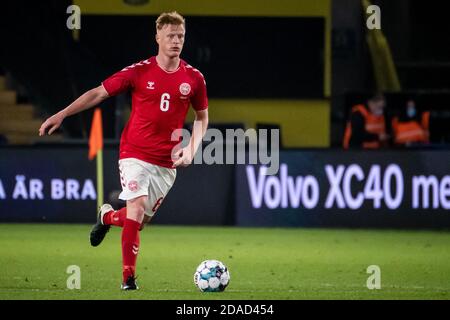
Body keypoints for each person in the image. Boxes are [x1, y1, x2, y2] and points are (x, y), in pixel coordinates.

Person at [38, 12, 209, 290]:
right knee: (137, 208)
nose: (176, 41)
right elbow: (97, 93)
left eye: (180, 36)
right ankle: (128, 279)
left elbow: (203, 118)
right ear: (158, 38)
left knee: (138, 222)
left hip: (166, 163)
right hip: (134, 154)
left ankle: (106, 216)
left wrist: (191, 149)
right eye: (170, 36)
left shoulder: (194, 78)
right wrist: (62, 114)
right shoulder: (139, 71)